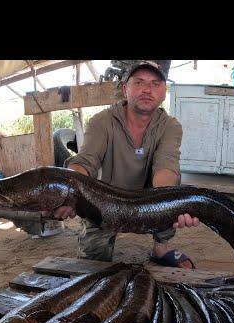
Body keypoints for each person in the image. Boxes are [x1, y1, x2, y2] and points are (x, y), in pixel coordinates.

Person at [53, 60, 199, 269]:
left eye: (155, 84)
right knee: (92, 263)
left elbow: (166, 168)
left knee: (173, 184)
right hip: (104, 202)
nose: (147, 89)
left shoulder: (170, 126)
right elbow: (85, 162)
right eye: (139, 82)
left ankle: (161, 247)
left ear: (164, 92)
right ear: (125, 89)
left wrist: (174, 205)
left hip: (149, 201)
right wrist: (67, 191)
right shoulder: (101, 121)